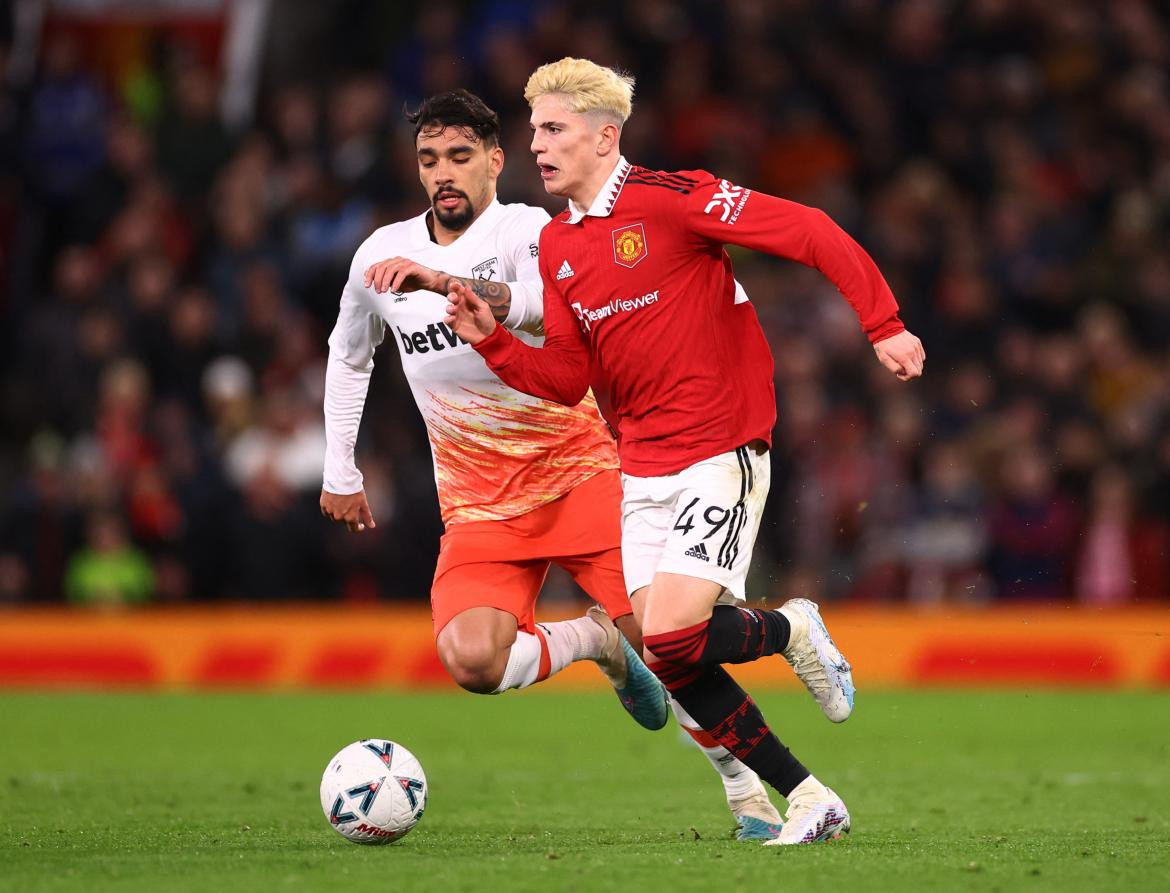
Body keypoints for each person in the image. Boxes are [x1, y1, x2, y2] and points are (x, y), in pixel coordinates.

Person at [445, 58, 926, 846]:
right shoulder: (559, 249)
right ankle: (809, 795)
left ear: (606, 136)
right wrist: (494, 342)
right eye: (534, 129)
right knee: (671, 655)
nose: (537, 143)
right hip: (642, 465)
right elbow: (567, 379)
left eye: (554, 128)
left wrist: (884, 324)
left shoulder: (673, 200)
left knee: (667, 635)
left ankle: (796, 628)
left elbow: (811, 230)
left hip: (720, 445)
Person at [322, 89, 785, 842]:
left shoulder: (528, 230)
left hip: (583, 475)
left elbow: (545, 305)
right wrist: (340, 468)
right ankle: (588, 641)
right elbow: (348, 354)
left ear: (495, 163)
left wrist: (448, 285)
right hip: (479, 505)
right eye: (429, 159)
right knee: (472, 660)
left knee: (669, 643)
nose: (444, 173)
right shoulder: (378, 254)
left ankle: (748, 793)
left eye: (461, 157)